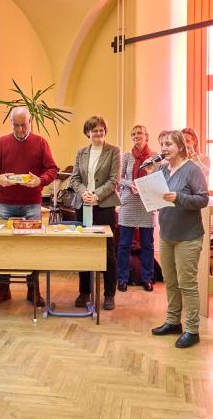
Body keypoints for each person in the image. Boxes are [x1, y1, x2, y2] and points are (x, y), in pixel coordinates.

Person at [0, 107, 58, 307]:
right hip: (6, 204)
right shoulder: (2, 142)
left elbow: (52, 169)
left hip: (32, 204)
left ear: (30, 122)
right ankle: (3, 289)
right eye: (16, 125)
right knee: (3, 247)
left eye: (24, 125)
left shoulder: (40, 142)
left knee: (33, 247)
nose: (20, 129)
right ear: (11, 124)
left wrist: (40, 180)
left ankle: (33, 290)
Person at [147, 130, 209, 349]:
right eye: (162, 144)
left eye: (169, 144)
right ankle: (173, 321)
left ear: (181, 147)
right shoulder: (163, 170)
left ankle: (192, 330)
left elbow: (203, 199)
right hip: (166, 235)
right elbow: (157, 197)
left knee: (187, 284)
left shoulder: (192, 169)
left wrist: (179, 197)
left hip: (188, 237)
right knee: (170, 282)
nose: (164, 148)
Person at [69, 115, 121, 311]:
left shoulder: (114, 151)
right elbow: (75, 179)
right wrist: (84, 194)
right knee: (83, 249)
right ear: (87, 133)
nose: (98, 133)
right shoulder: (81, 152)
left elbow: (113, 180)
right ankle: (84, 292)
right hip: (83, 205)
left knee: (107, 251)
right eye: (94, 130)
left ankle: (109, 294)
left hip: (104, 206)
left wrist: (96, 195)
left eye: (101, 130)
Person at [117, 125, 157, 293]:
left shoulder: (154, 157)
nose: (136, 136)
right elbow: (119, 179)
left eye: (139, 133)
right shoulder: (126, 156)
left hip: (147, 203)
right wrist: (131, 184)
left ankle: (147, 278)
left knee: (147, 244)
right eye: (133, 133)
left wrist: (144, 184)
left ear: (147, 136)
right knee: (124, 244)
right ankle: (122, 278)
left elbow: (158, 179)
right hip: (129, 202)